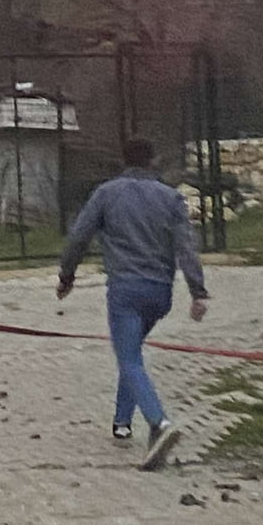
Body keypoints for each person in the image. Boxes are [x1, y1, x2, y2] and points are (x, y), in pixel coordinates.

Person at [56, 136, 209, 471]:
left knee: (128, 358)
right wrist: (198, 291)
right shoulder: (170, 198)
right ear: (152, 160)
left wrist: (66, 277)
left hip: (125, 289)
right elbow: (186, 246)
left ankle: (159, 423)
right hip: (159, 292)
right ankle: (122, 422)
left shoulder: (106, 194)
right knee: (132, 353)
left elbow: (79, 237)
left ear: (123, 160)